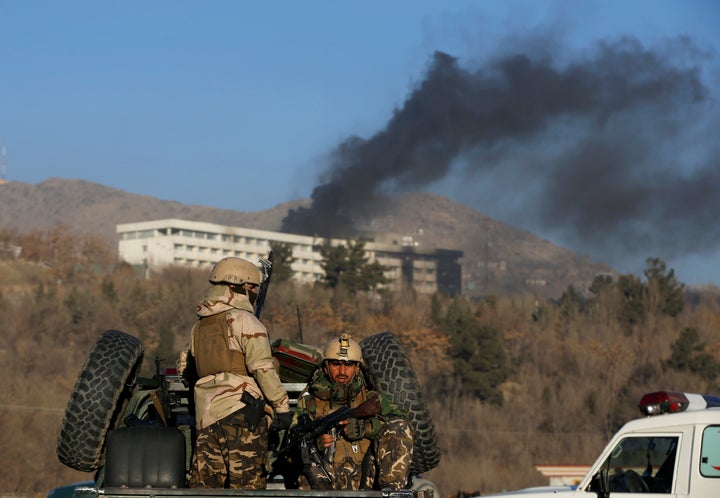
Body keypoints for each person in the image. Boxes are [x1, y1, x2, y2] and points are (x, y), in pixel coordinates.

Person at [179, 257, 292, 489]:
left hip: (205, 419)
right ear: (235, 286)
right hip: (242, 415)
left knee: (205, 489)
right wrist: (282, 408)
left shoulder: (198, 328)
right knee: (247, 489)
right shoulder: (245, 321)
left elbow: (186, 370)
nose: (253, 293)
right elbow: (262, 369)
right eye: (251, 287)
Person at [292, 332, 413, 490]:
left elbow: (402, 421)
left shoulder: (370, 398)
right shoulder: (309, 400)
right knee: (306, 455)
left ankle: (391, 493)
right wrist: (316, 444)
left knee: (398, 426)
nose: (342, 371)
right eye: (336, 364)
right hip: (327, 479)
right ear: (326, 367)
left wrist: (365, 428)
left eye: (348, 365)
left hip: (365, 477)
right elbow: (293, 440)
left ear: (357, 369)